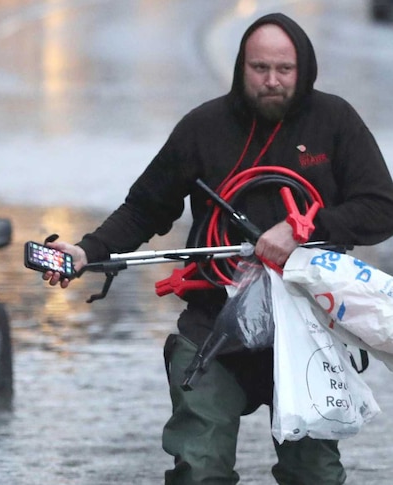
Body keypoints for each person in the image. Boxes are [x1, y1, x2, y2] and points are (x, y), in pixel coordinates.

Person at [43, 12, 393, 485]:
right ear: (240, 67)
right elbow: (144, 209)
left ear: (304, 70)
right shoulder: (203, 128)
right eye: (259, 68)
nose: (271, 81)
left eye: (284, 71)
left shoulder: (335, 122)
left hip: (306, 328)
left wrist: (302, 229)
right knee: (199, 467)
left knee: (313, 473)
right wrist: (87, 251)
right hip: (214, 324)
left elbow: (381, 208)